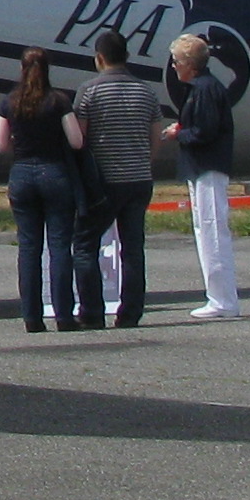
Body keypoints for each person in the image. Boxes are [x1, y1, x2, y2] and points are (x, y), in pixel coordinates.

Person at [0, 47, 91, 333]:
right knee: (60, 246)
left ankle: (31, 317)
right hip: (55, 173)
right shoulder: (58, 100)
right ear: (48, 69)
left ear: (21, 69)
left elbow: (0, 145)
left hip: (22, 173)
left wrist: (20, 144)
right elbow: (75, 141)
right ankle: (63, 315)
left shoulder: (10, 101)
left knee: (28, 248)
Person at [73, 29, 157, 328]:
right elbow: (154, 137)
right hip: (139, 179)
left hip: (104, 180)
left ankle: (92, 312)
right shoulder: (146, 91)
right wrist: (144, 162)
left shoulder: (90, 91)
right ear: (127, 57)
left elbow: (80, 137)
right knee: (133, 248)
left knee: (85, 245)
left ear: (99, 58)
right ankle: (130, 312)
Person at [164, 33, 241, 320]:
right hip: (202, 166)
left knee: (212, 229)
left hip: (208, 166)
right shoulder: (201, 87)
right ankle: (218, 297)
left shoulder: (205, 89)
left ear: (188, 64)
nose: (174, 67)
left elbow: (205, 131)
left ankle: (222, 300)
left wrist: (178, 133)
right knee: (205, 228)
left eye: (176, 62)